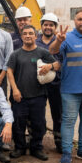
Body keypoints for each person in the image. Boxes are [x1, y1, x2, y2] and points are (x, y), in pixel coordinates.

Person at [49, 9, 82, 163]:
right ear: (75, 21)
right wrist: (58, 40)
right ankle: (66, 153)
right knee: (68, 121)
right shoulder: (67, 38)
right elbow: (52, 50)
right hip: (71, 90)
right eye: (80, 19)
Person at [6, 25, 60, 161]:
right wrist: (15, 90)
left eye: (31, 33)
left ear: (36, 36)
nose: (28, 36)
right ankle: (20, 148)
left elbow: (58, 65)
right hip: (20, 97)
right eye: (25, 34)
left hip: (38, 96)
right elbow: (9, 71)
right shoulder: (16, 54)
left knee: (39, 124)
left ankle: (36, 148)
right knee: (18, 124)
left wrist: (50, 66)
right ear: (22, 36)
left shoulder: (42, 52)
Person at [35, 12, 64, 153]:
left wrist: (51, 66)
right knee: (38, 114)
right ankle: (37, 141)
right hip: (38, 85)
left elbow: (63, 62)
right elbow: (30, 60)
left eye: (51, 25)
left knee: (58, 114)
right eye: (45, 24)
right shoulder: (35, 42)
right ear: (41, 26)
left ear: (55, 27)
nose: (48, 27)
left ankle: (60, 141)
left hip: (56, 84)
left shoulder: (61, 42)